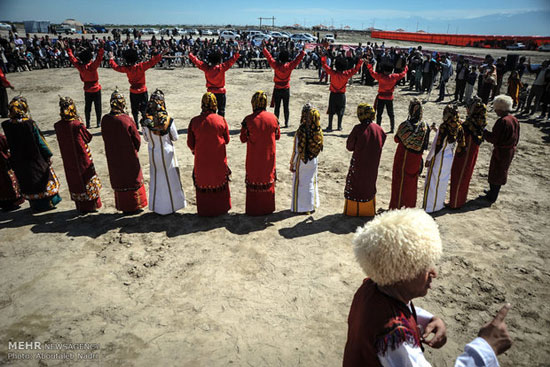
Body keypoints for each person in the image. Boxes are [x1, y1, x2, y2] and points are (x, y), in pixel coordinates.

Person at [343, 208, 512, 366]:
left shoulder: (371, 287)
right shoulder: (396, 338)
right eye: (424, 266)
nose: (434, 272)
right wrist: (486, 348)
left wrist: (427, 319)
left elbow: (393, 309)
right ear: (401, 274)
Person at [1, 96, 61, 213]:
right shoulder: (29, 124)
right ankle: (47, 205)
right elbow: (40, 141)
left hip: (19, 161)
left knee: (27, 182)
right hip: (35, 159)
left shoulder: (6, 125)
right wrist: (48, 154)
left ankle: (34, 206)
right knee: (41, 181)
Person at [101, 89, 148, 213]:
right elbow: (136, 139)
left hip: (113, 156)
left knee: (120, 179)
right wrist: (134, 150)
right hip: (129, 156)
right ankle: (135, 205)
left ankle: (123, 205)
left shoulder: (105, 119)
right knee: (132, 178)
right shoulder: (126, 119)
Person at [141, 90, 186, 215]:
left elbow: (145, 138)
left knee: (157, 179)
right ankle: (172, 206)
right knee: (170, 179)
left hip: (153, 152)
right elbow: (175, 137)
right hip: (167, 152)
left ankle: (158, 207)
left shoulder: (145, 121)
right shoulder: (167, 120)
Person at [54, 97, 102, 213]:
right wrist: (82, 124)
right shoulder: (77, 125)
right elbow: (88, 138)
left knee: (74, 180)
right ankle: (91, 206)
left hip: (68, 159)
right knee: (87, 179)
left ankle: (81, 206)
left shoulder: (58, 126)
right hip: (83, 159)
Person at [187, 92, 231, 216]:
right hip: (218, 160)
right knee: (219, 180)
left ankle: (205, 210)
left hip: (201, 160)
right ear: (215, 105)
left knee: (203, 181)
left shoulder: (194, 121)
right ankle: (221, 208)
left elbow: (190, 143)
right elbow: (227, 140)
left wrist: (197, 150)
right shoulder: (221, 120)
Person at [240, 90, 281, 216]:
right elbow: (278, 136)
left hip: (254, 158)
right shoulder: (273, 118)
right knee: (267, 179)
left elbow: (242, 139)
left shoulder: (248, 120)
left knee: (254, 179)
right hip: (269, 157)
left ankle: (254, 209)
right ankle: (267, 208)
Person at [344, 103, 385, 216]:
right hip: (373, 165)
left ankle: (353, 211)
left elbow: (349, 146)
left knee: (356, 185)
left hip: (359, 164)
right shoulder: (379, 130)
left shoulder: (358, 129)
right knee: (369, 185)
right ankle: (368, 211)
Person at [388, 98, 430, 210]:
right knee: (411, 185)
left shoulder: (404, 125)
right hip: (415, 160)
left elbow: (396, 139)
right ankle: (409, 209)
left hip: (402, 158)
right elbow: (425, 145)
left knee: (399, 183)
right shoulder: (425, 126)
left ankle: (396, 208)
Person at [423, 104, 464, 213]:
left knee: (433, 182)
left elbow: (436, 145)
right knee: (443, 182)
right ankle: (438, 205)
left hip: (439, 157)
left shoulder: (444, 126)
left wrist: (428, 158)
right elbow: (449, 138)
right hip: (449, 157)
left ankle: (429, 207)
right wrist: (436, 130)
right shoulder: (458, 126)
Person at [448, 97, 487, 209]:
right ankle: (459, 200)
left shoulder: (469, 126)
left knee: (459, 175)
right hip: (470, 154)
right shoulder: (478, 124)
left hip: (464, 155)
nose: (467, 109)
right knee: (465, 177)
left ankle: (455, 203)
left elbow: (458, 133)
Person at [109, 48, 164, 125]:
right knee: (144, 109)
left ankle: (136, 124)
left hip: (133, 91)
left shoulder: (127, 69)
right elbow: (152, 62)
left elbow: (116, 67)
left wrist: (111, 59)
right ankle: (145, 122)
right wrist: (161, 54)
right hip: (143, 90)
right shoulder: (141, 66)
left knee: (134, 109)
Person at [482, 95, 520, 203]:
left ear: (501, 108)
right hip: (510, 150)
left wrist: (484, 132)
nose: (495, 110)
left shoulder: (502, 121)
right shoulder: (514, 119)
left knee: (496, 172)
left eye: (496, 108)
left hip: (501, 151)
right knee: (502, 171)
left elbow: (494, 138)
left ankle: (492, 196)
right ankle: (493, 192)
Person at [289, 103, 323, 214]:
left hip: (302, 160)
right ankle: (311, 206)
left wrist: (292, 163)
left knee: (300, 184)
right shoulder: (318, 131)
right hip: (313, 160)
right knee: (311, 182)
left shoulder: (300, 131)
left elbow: (296, 150)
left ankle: (301, 208)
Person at [189, 47, 240, 117]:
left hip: (210, 92)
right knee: (221, 111)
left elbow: (197, 62)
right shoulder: (222, 68)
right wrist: (237, 53)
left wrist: (190, 54)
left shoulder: (206, 68)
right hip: (221, 92)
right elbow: (231, 61)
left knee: (209, 111)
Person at [263, 47, 305, 127]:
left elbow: (269, 58)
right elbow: (297, 60)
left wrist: (264, 49)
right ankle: (286, 123)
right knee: (286, 107)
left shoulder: (276, 65)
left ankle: (276, 122)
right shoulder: (289, 66)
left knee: (277, 107)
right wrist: (302, 52)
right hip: (286, 89)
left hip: (277, 89)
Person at [321, 55, 363, 131]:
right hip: (341, 95)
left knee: (331, 110)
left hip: (333, 94)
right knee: (341, 110)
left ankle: (330, 126)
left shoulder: (332, 73)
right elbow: (356, 69)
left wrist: (323, 57)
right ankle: (339, 126)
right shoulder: (346, 74)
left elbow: (324, 65)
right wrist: (360, 61)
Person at [67, 43, 104, 128]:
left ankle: (88, 123)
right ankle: (98, 122)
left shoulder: (81, 67)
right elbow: (99, 58)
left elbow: (73, 59)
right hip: (96, 88)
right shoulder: (92, 66)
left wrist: (69, 50)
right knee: (98, 106)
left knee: (88, 107)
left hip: (87, 89)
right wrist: (101, 49)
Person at [367, 56, 407, 133]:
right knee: (391, 114)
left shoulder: (380, 77)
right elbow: (403, 74)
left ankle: (378, 127)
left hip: (381, 97)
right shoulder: (394, 77)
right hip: (389, 97)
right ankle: (392, 129)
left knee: (379, 114)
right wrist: (406, 67)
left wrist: (368, 65)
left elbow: (372, 72)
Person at [0, 132, 24, 210]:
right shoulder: (0, 136)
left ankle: (4, 203)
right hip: (3, 164)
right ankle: (11, 202)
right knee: (8, 183)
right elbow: (7, 144)